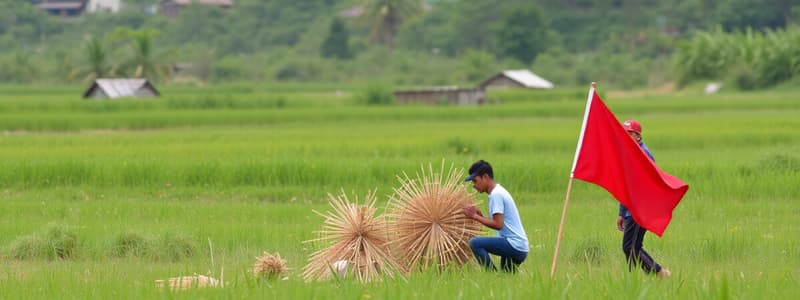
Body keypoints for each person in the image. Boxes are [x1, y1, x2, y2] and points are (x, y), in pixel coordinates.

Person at [619, 120, 671, 278]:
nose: (626, 136)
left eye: (629, 133)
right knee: (631, 247)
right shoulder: (629, 154)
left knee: (630, 247)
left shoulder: (644, 154)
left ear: (638, 136)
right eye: (624, 133)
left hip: (640, 208)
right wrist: (622, 212)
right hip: (631, 208)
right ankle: (633, 279)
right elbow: (625, 186)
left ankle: (660, 273)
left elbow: (649, 183)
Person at [462, 160, 529, 272]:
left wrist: (475, 217)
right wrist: (481, 216)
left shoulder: (496, 195)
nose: (474, 185)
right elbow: (499, 221)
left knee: (475, 243)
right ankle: (497, 279)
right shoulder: (498, 191)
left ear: (485, 177)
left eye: (475, 180)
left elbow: (498, 224)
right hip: (520, 246)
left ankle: (492, 275)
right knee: (506, 278)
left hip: (513, 245)